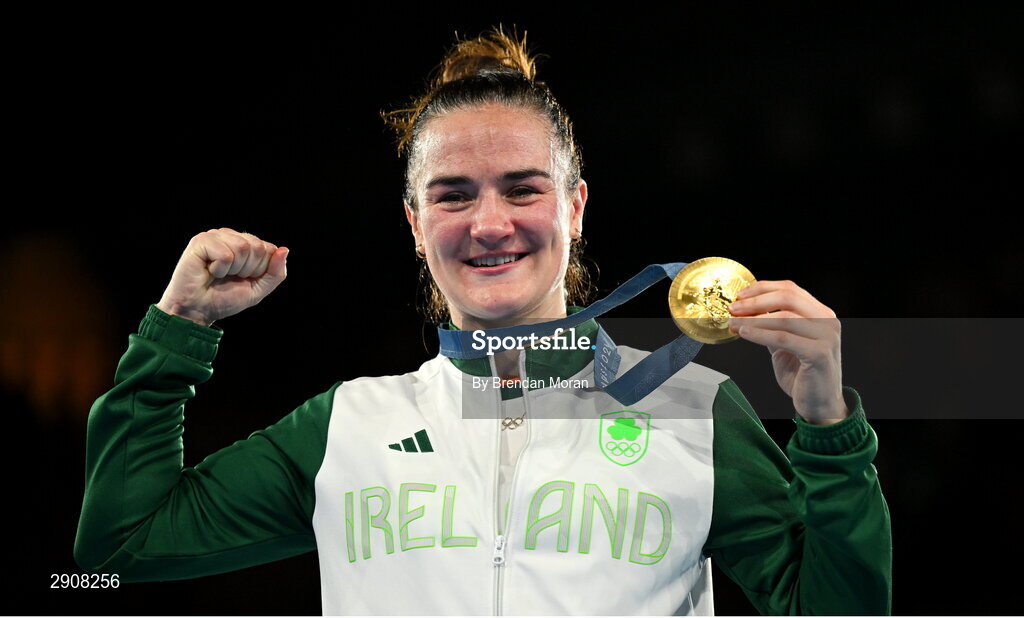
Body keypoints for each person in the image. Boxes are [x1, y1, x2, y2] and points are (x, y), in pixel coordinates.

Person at [74, 27, 892, 615]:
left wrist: (827, 428)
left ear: (574, 206)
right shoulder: (350, 425)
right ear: (413, 222)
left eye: (523, 189)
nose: (490, 223)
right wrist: (176, 332)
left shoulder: (692, 409)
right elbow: (120, 546)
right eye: (454, 194)